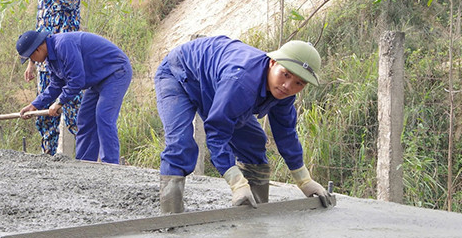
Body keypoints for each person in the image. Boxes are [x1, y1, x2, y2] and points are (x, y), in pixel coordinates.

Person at [155, 36, 333, 213]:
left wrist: (304, 180)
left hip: (218, 85)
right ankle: (172, 218)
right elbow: (217, 133)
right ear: (272, 63)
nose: (287, 86)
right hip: (179, 73)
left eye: (298, 83)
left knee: (253, 142)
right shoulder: (241, 80)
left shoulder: (284, 94)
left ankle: (255, 210)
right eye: (285, 74)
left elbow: (286, 134)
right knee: (180, 144)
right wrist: (236, 183)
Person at [17, 30, 132, 164]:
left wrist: (59, 102)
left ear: (37, 50)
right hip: (97, 79)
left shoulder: (64, 45)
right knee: (85, 119)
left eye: (31, 58)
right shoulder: (50, 58)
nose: (33, 61)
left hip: (115, 72)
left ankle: (111, 165)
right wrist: (34, 105)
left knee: (103, 115)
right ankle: (84, 164)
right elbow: (56, 85)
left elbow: (77, 81)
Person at [23, 0, 82, 155]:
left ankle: (84, 158)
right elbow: (39, 33)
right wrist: (32, 62)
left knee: (74, 111)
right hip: (45, 64)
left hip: (69, 61)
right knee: (46, 112)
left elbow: (65, 2)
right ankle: (47, 156)